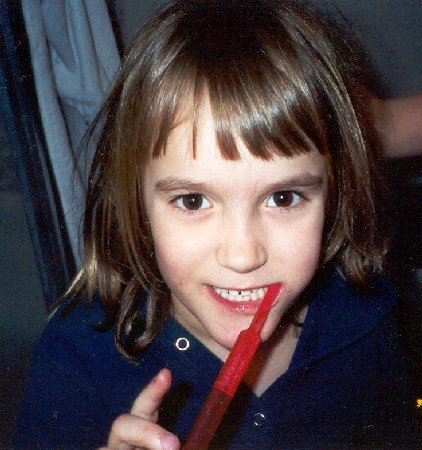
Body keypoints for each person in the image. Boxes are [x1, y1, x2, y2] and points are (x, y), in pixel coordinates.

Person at [15, 1, 417, 448]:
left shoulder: (366, 318)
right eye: (192, 200)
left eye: (283, 198)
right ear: (135, 205)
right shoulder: (75, 361)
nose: (243, 256)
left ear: (335, 194)